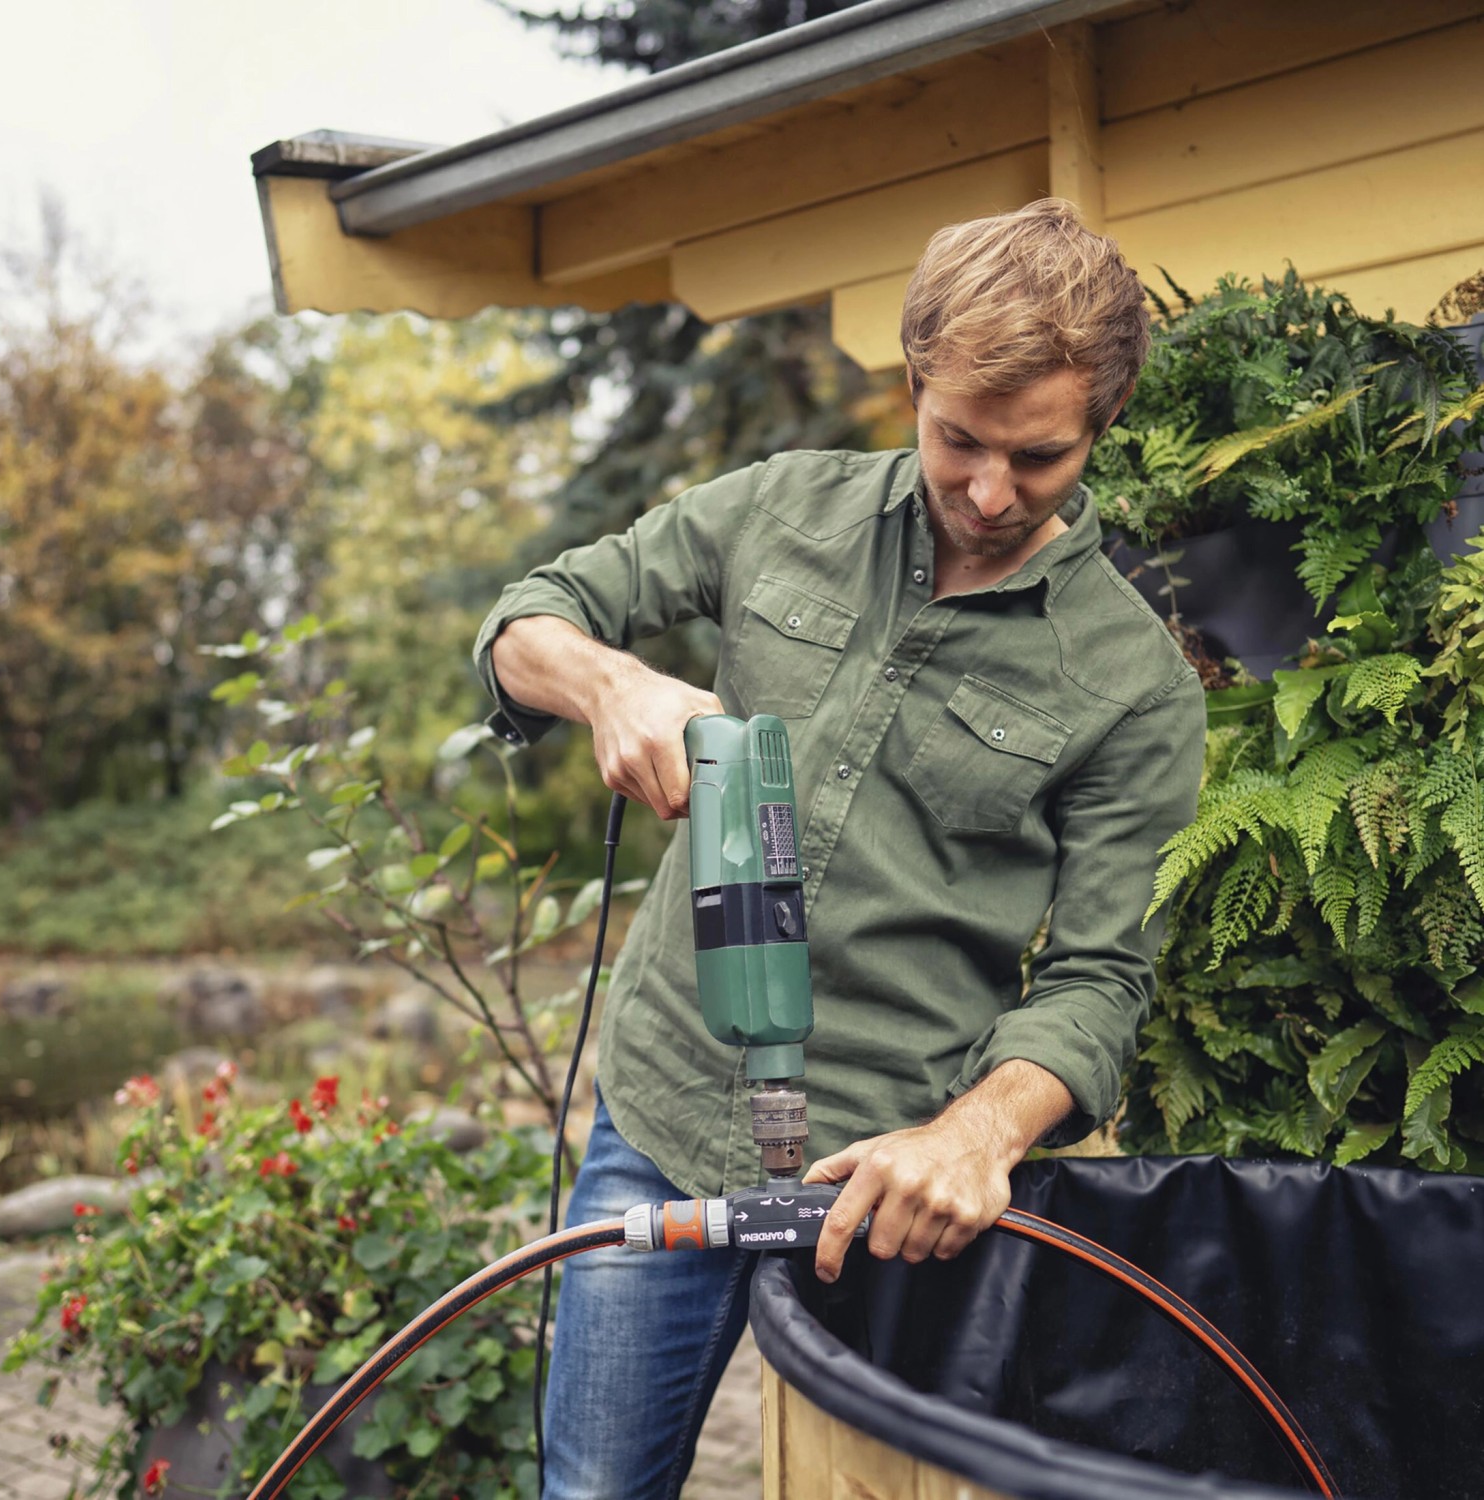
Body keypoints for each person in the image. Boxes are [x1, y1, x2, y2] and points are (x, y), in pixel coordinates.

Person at [474, 198, 1205, 1499]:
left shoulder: (1134, 684)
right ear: (915, 383)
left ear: (1103, 422)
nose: (990, 492)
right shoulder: (781, 508)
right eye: (959, 438)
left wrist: (977, 1135)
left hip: (888, 1185)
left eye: (1038, 457)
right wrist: (614, 686)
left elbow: (1100, 980)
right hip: (664, 1109)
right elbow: (533, 616)